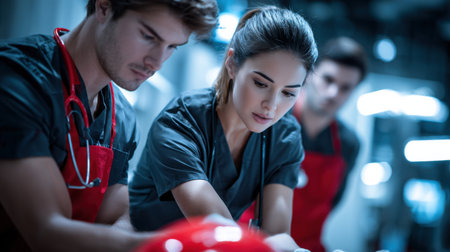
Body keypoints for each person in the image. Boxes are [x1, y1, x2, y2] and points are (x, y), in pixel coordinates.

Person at [0, 0, 218, 251]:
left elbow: (120, 216)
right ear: (104, 7)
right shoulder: (16, 79)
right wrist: (174, 244)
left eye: (171, 47)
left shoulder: (121, 116)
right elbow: (46, 231)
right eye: (148, 36)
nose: (157, 62)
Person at [129, 5, 318, 252]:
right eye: (261, 83)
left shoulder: (284, 136)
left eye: (288, 93)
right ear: (232, 64)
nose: (271, 106)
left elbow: (276, 234)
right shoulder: (181, 123)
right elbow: (219, 228)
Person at [290, 37, 367, 251]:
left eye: (345, 88)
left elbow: (333, 202)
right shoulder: (270, 120)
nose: (334, 93)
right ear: (310, 73)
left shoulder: (349, 144)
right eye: (328, 80)